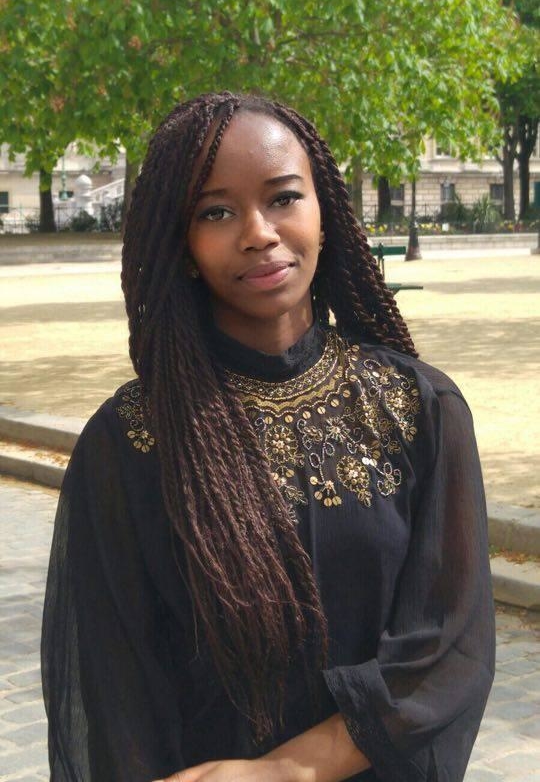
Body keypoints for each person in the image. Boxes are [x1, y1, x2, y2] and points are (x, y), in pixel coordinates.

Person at [41, 91, 495, 782]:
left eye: (283, 198)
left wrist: (287, 769)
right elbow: (114, 687)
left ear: (325, 212)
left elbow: (448, 649)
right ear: (181, 243)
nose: (258, 232)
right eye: (215, 212)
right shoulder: (131, 441)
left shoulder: (416, 406)